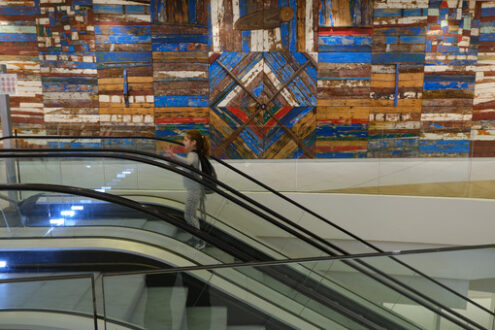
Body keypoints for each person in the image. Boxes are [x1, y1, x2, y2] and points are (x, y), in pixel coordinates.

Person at [165, 130, 209, 250]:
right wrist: (171, 161)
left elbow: (188, 163)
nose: (183, 142)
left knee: (189, 216)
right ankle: (196, 237)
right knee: (191, 215)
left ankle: (200, 240)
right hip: (193, 190)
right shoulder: (192, 154)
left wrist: (173, 155)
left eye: (185, 140)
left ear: (193, 142)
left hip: (194, 190)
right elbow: (186, 166)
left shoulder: (194, 154)